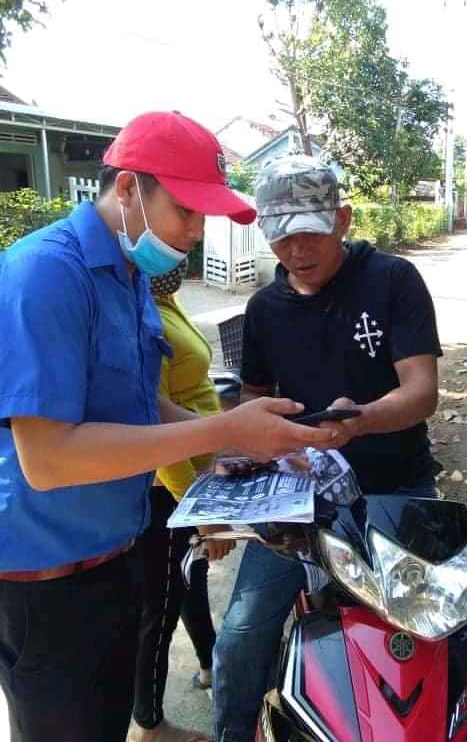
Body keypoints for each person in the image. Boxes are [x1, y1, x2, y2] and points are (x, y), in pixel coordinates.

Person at [0, 115, 335, 742]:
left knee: (105, 724)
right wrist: (217, 432)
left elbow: (144, 406)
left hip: (117, 556)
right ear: (128, 188)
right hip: (46, 582)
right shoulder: (44, 274)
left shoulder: (128, 276)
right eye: (186, 210)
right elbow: (46, 459)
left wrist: (241, 437)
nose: (194, 232)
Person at [212, 155, 442, 742]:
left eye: (310, 232)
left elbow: (421, 392)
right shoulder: (265, 308)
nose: (295, 250)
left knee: (424, 628)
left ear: (342, 219)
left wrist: (361, 421)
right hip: (302, 491)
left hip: (396, 483)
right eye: (280, 236)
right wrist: (243, 454)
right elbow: (254, 396)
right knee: (240, 636)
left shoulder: (392, 280)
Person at [128, 262, 233, 742]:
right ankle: (149, 722)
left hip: (191, 478)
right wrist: (201, 511)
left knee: (190, 581)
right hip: (167, 490)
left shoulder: (163, 302)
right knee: (161, 606)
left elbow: (191, 394)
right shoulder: (141, 315)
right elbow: (157, 427)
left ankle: (210, 664)